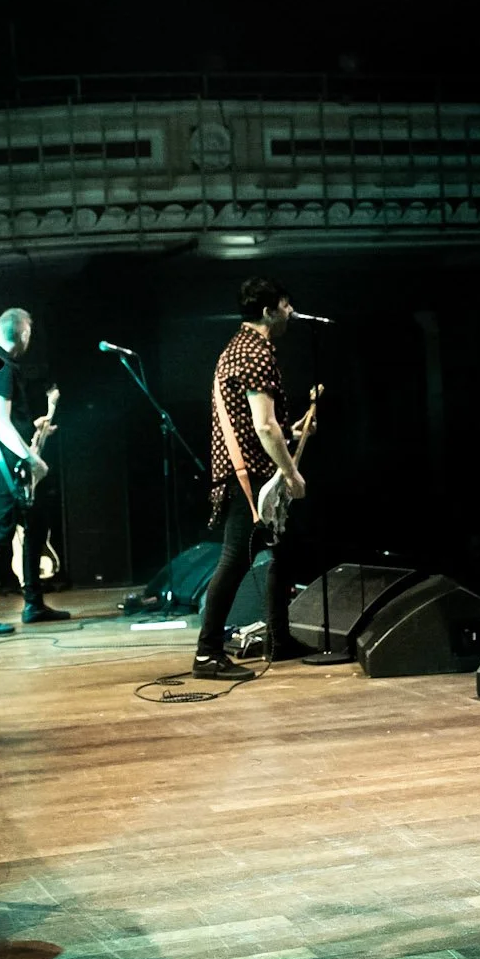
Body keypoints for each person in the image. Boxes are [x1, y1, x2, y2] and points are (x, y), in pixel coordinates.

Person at [191, 277, 308, 681]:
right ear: (268, 311)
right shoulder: (255, 353)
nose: (291, 312)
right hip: (248, 476)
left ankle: (279, 638)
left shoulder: (237, 349)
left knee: (284, 551)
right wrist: (291, 472)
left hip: (248, 470)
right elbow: (263, 426)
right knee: (235, 558)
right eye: (286, 305)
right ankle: (207, 653)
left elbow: (258, 423)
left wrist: (290, 431)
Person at [0, 307, 69, 637]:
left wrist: (31, 430)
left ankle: (33, 603)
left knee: (37, 523)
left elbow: (5, 420)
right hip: (3, 464)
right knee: (1, 530)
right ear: (24, 334)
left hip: (0, 460)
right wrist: (32, 458)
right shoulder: (3, 368)